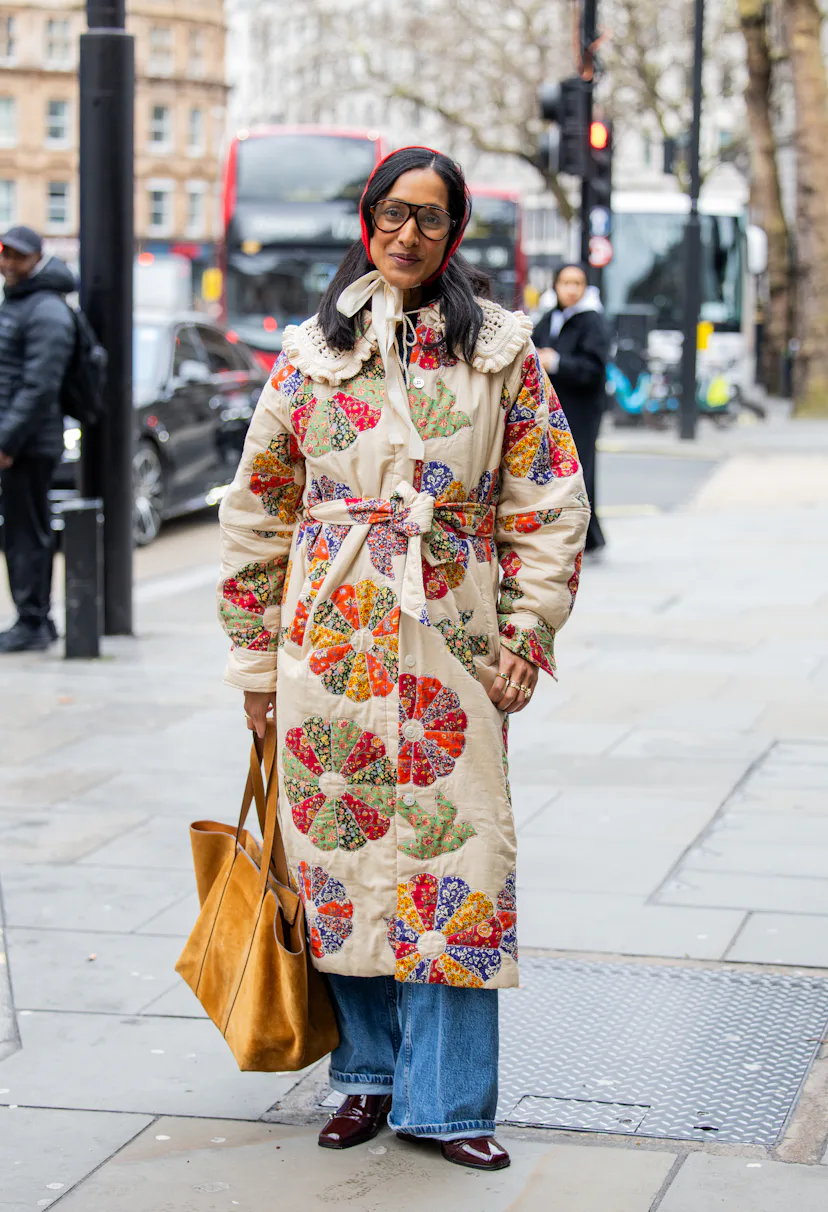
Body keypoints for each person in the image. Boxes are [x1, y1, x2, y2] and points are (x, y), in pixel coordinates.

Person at [217, 147, 588, 1171]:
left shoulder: (501, 355)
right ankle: (365, 1078)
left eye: (430, 217)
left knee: (456, 862)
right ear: (367, 220)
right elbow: (256, 513)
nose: (408, 233)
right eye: (392, 212)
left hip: (453, 648)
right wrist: (255, 669)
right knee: (338, 858)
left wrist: (527, 633)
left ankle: (450, 1102)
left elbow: (549, 503)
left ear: (454, 231)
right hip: (329, 646)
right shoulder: (311, 356)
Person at [0, 225, 75, 652]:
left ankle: (33, 621)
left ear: (36, 258)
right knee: (21, 531)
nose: (8, 262)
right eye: (4, 253)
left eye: (17, 255)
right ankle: (33, 619)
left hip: (29, 443)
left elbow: (40, 385)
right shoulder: (21, 300)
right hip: (21, 440)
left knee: (27, 533)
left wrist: (7, 442)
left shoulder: (45, 309)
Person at [534, 263, 611, 554]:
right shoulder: (549, 317)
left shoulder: (592, 322)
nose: (571, 289)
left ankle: (584, 535)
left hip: (581, 410)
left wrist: (557, 362)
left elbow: (594, 369)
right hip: (553, 408)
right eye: (565, 282)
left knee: (578, 471)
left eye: (577, 283)